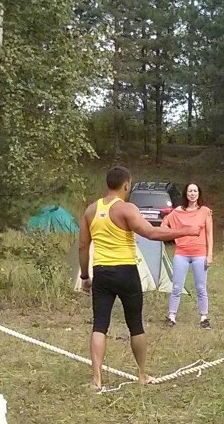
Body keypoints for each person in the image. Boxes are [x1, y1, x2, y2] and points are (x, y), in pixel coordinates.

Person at [78, 166, 199, 389]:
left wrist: (85, 275)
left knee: (99, 325)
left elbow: (83, 246)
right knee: (135, 324)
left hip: (101, 271)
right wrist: (187, 231)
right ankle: (142, 374)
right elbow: (151, 233)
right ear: (126, 185)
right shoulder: (126, 209)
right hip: (126, 272)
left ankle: (97, 379)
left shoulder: (91, 210)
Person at [163, 181, 214, 329]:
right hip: (182, 253)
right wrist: (174, 234)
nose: (192, 194)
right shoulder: (178, 211)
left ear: (199, 194)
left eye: (195, 191)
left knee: (201, 287)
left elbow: (209, 234)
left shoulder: (205, 211)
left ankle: (204, 317)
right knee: (176, 287)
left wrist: (209, 254)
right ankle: (172, 316)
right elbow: (164, 224)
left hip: (199, 253)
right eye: (190, 191)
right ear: (186, 193)